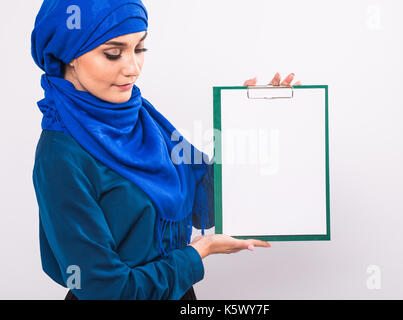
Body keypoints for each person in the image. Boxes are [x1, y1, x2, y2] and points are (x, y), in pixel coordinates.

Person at [31, 0, 300, 300]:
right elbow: (108, 290)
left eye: (139, 49)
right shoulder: (60, 156)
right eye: (113, 53)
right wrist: (199, 253)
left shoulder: (143, 118)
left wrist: (249, 120)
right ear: (68, 57)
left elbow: (205, 205)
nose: (132, 68)